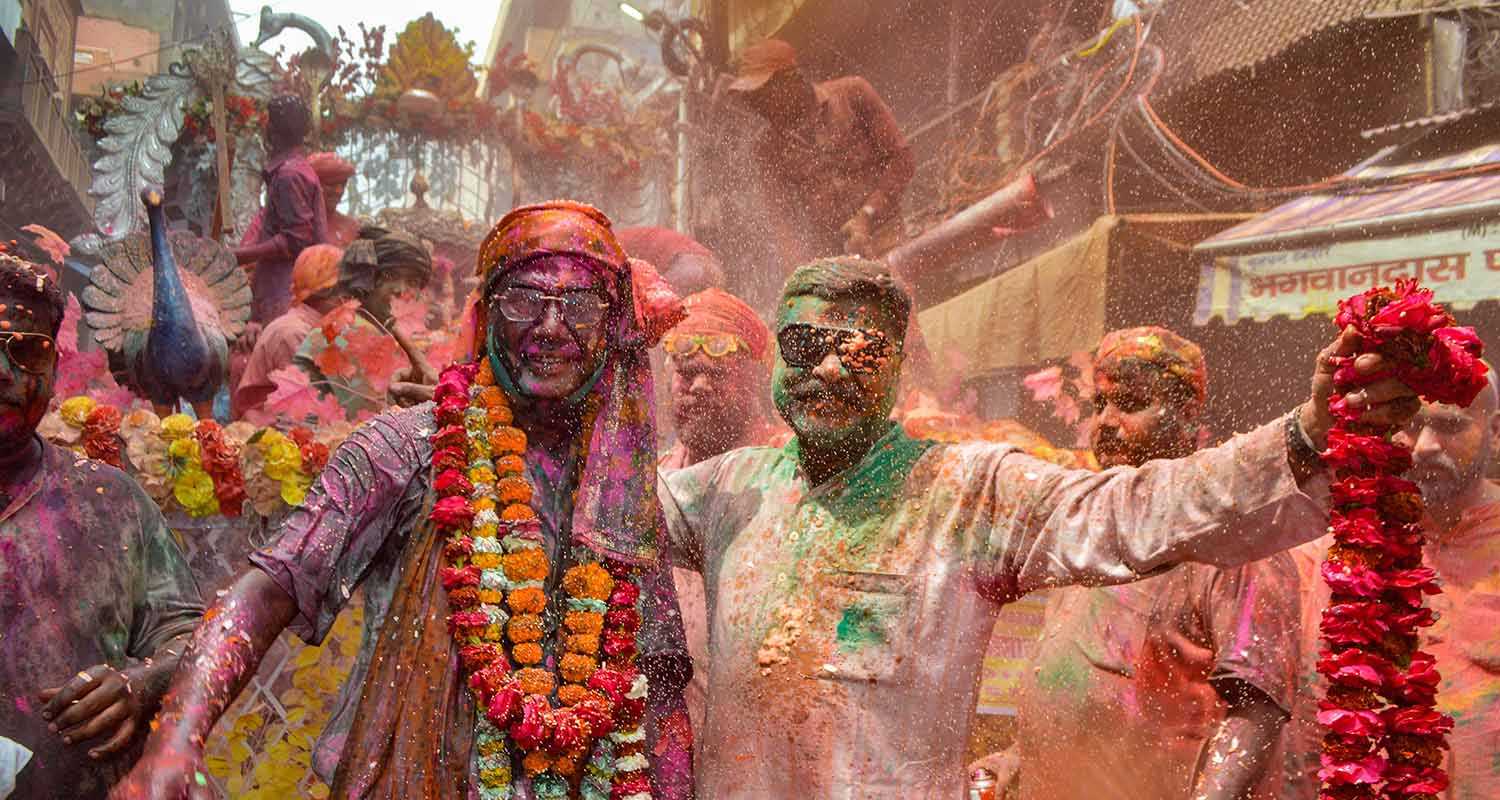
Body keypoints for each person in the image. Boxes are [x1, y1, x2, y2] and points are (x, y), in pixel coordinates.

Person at [657, 256, 1418, 799]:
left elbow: (1134, 510)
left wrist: (1308, 432)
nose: (829, 370)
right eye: (807, 346)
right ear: (777, 364)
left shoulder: (966, 491)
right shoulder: (727, 493)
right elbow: (588, 514)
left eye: (862, 350)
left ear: (895, 374)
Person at [111, 201, 693, 800]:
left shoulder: (622, 485)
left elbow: (661, 690)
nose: (549, 327)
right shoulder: (405, 450)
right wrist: (175, 742)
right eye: (523, 299)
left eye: (577, 306)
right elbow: (267, 590)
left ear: (613, 324)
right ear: (488, 312)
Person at [998, 327, 1301, 799]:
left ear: (1186, 414)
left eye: (1131, 403)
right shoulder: (1089, 528)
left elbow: (1256, 714)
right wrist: (1016, 761)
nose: (1107, 423)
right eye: (1099, 405)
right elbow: (1072, 689)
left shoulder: (1235, 539)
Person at [0, 252, 203, 798]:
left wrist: (142, 684)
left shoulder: (112, 503)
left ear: (54, 369)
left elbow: (192, 638)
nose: (4, 370)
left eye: (26, 349)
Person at [1283, 371, 1500, 799]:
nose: (1424, 447)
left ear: (1494, 432)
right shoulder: (1333, 552)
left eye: (1450, 425)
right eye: (1410, 424)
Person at [657, 288, 785, 741]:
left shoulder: (788, 472)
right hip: (668, 731)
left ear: (754, 383)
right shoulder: (657, 479)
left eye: (716, 374)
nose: (699, 388)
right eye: (686, 373)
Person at [726, 39, 914, 271]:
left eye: (762, 95)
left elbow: (902, 160)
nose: (756, 106)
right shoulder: (766, 148)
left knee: (898, 290)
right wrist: (797, 271)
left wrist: (867, 215)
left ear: (790, 81)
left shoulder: (852, 93)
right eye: (752, 99)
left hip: (884, 229)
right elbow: (781, 218)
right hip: (830, 252)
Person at [294, 226, 431, 419]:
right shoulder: (350, 331)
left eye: (413, 281)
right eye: (389, 276)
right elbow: (372, 418)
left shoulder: (366, 323)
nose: (401, 289)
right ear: (368, 279)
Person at [235, 94, 329, 324]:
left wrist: (241, 256)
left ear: (272, 131)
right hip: (286, 292)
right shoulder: (294, 169)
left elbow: (295, 239)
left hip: (285, 295)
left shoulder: (289, 175)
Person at [232, 243, 345, 419]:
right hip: (271, 434)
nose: (348, 298)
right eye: (345, 288)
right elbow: (305, 410)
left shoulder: (318, 328)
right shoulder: (293, 332)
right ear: (327, 291)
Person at [308, 152, 360, 247]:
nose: (339, 191)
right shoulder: (297, 228)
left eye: (343, 184)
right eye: (331, 184)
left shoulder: (352, 227)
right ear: (312, 185)